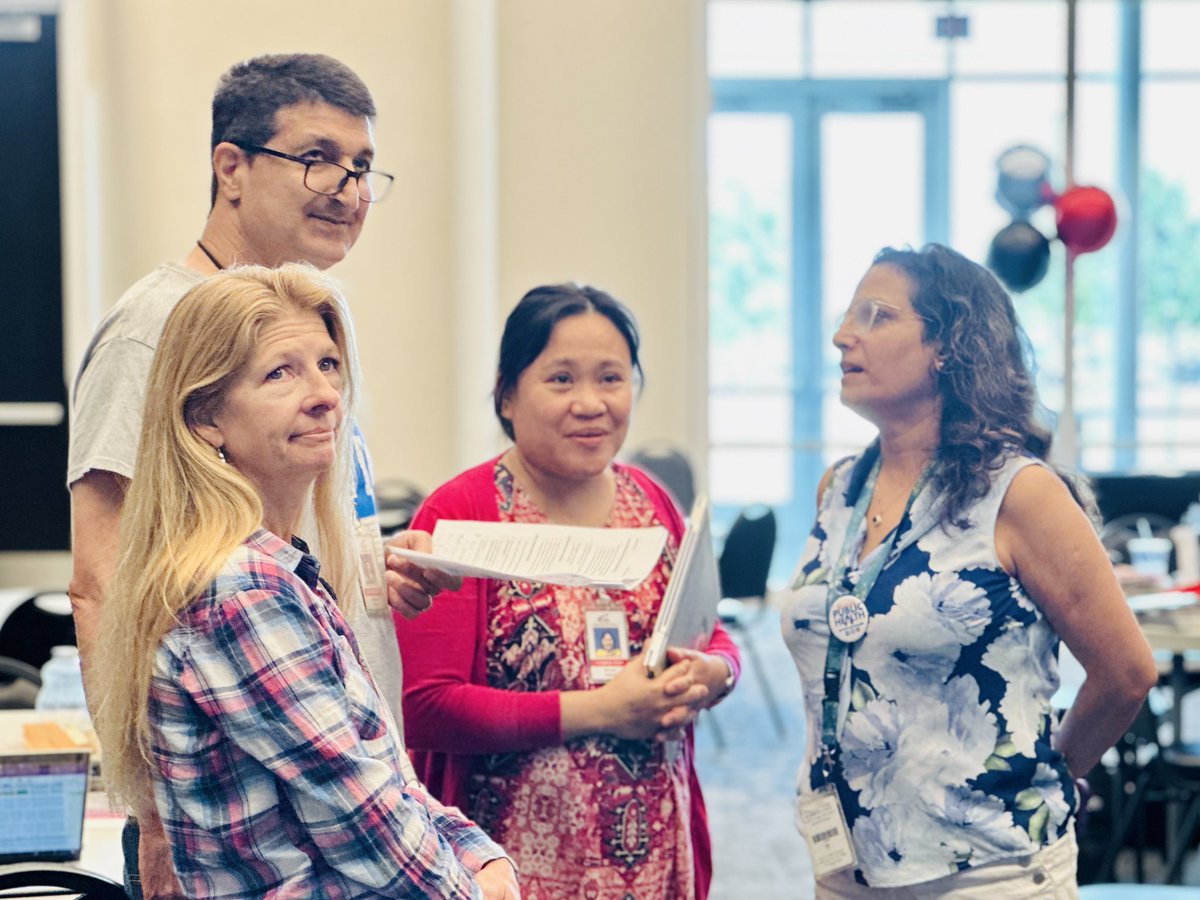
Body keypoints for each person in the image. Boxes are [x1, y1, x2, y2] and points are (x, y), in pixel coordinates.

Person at [66, 54, 450, 898]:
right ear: (231, 167)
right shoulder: (155, 329)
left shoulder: (303, 327)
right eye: (317, 158)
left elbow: (266, 532)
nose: (347, 189)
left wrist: (370, 569)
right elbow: (104, 581)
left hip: (332, 782)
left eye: (361, 167)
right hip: (242, 824)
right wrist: (154, 813)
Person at [90, 265, 518, 899]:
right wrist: (475, 890)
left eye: (327, 364)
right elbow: (365, 823)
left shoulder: (281, 568)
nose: (324, 395)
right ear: (206, 418)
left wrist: (482, 857)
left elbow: (386, 775)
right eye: (279, 373)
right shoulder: (240, 591)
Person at [781, 244, 1158, 897]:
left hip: (988, 869)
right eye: (848, 316)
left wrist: (1046, 774)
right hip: (847, 864)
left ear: (947, 347)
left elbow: (1126, 673)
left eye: (877, 316)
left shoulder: (1019, 493)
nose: (843, 336)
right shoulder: (839, 489)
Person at [394, 284, 741, 899]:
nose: (591, 404)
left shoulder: (652, 502)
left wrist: (716, 671)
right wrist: (600, 711)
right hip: (509, 866)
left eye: (611, 378)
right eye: (560, 379)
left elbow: (706, 630)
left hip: (652, 853)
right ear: (507, 393)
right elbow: (427, 708)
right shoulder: (461, 512)